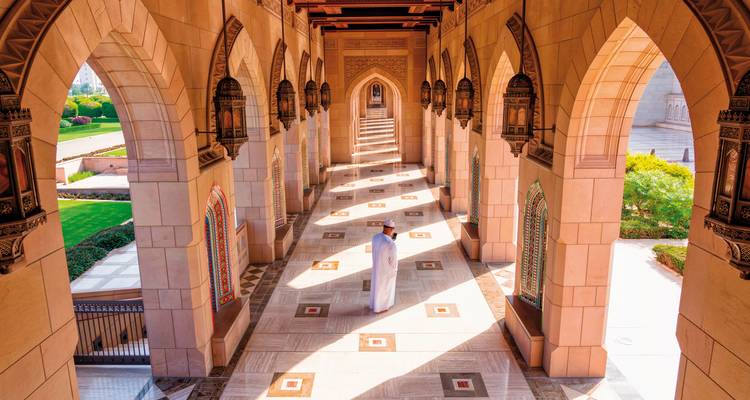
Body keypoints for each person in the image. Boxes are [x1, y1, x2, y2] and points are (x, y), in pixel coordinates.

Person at [369, 219, 398, 313]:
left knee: (376, 286)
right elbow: (393, 260)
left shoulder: (375, 237)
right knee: (385, 288)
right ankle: (382, 307)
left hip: (377, 267)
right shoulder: (390, 244)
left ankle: (374, 305)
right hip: (386, 270)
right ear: (391, 229)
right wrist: (394, 270)